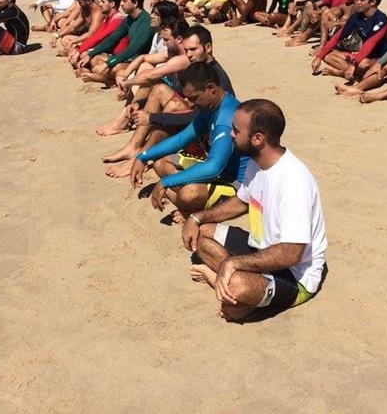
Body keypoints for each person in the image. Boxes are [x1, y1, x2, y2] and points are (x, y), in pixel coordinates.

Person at [180, 98, 327, 322]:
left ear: (258, 139)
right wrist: (196, 217)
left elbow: (291, 253)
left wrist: (233, 263)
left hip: (295, 274)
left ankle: (223, 281)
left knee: (237, 287)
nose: (230, 134)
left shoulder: (294, 182)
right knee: (200, 234)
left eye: (236, 131)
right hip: (263, 246)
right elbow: (242, 202)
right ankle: (229, 281)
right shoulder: (255, 162)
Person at [100, 25, 235, 178]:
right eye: (186, 50)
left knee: (173, 106)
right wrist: (140, 103)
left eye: (193, 49)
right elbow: (179, 92)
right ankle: (135, 147)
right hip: (196, 125)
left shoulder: (215, 79)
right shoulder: (197, 69)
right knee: (159, 89)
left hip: (205, 136)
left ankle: (142, 155)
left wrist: (152, 117)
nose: (188, 55)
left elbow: (198, 119)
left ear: (208, 47)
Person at [129, 62, 246, 215]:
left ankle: (192, 210)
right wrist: (143, 156)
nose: (190, 103)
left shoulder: (226, 119)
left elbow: (213, 167)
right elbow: (180, 140)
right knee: (160, 162)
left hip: (235, 182)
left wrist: (166, 182)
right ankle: (187, 203)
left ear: (211, 89)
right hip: (216, 169)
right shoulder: (209, 108)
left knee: (188, 194)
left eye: (194, 97)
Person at [311, 0, 387, 81]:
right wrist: (319, 57)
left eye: (361, 0)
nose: (358, 2)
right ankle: (354, 74)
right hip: (364, 55)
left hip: (381, 58)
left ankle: (343, 73)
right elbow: (338, 37)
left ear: (373, 2)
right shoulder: (357, 17)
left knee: (363, 64)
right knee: (327, 56)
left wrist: (354, 63)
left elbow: (370, 44)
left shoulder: (381, 20)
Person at [78, 0, 153, 85]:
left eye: (124, 1)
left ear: (135, 3)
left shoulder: (145, 22)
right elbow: (112, 39)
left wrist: (107, 64)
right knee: (95, 58)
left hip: (138, 61)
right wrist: (90, 55)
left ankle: (102, 77)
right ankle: (104, 76)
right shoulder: (129, 19)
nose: (121, 4)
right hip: (126, 58)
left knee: (116, 68)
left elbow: (132, 50)